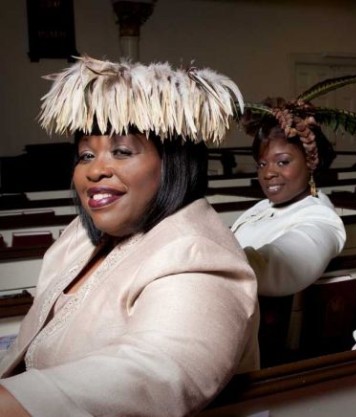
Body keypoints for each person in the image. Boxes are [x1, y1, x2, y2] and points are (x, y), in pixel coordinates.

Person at [0, 56, 259, 416]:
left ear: (173, 162)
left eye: (122, 151)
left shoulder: (198, 255)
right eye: (86, 154)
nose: (96, 170)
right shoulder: (82, 236)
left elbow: (157, 370)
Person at [230, 97, 346, 296]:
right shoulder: (262, 207)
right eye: (262, 164)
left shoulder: (322, 220)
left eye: (283, 162)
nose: (267, 173)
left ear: (310, 163)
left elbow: (278, 266)